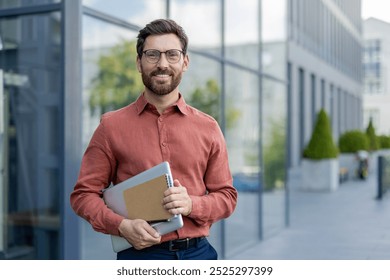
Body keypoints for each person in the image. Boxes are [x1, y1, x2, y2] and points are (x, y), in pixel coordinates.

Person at [70, 19, 238, 260]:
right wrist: (121, 226)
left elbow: (227, 197)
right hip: (139, 257)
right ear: (139, 63)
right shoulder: (111, 126)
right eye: (152, 55)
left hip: (199, 254)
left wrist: (192, 204)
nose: (162, 64)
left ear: (185, 62)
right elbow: (83, 195)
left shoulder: (208, 127)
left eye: (172, 54)